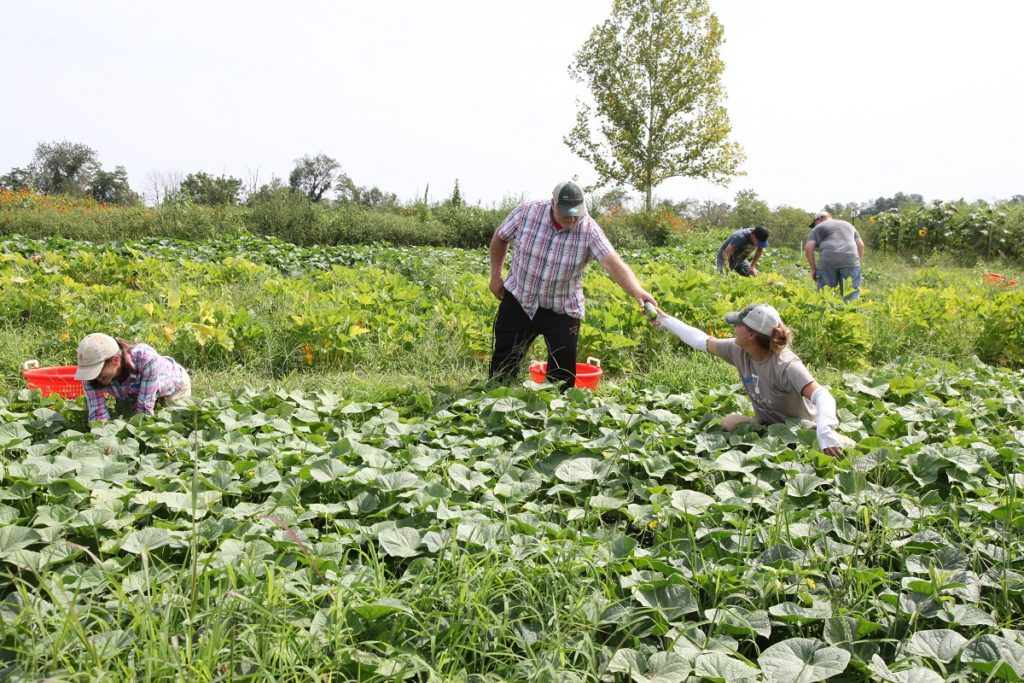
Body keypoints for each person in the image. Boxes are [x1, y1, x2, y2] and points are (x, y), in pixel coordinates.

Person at [488, 181, 656, 390]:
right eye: (566, 212)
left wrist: (637, 290)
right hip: (520, 298)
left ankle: (557, 416)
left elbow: (613, 263)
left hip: (562, 307)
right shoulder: (528, 212)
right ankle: (496, 406)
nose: (572, 217)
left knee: (562, 377)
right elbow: (500, 238)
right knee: (503, 366)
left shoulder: (589, 229)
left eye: (577, 212)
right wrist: (495, 276)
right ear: (553, 204)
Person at [650, 303, 846, 455]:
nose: (734, 328)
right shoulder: (738, 350)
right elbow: (702, 341)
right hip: (769, 427)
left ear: (751, 334)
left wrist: (825, 430)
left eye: (738, 325)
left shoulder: (785, 365)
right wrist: (666, 320)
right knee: (730, 422)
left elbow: (822, 395)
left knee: (840, 449)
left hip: (800, 431)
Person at [74, 333, 191, 423]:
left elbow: (144, 408)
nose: (95, 377)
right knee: (126, 421)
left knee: (173, 426)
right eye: (91, 372)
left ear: (116, 360)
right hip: (133, 394)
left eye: (98, 371)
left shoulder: (146, 359)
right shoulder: (90, 376)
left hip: (173, 388)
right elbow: (97, 412)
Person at [805, 211, 865, 300]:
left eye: (815, 223)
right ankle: (850, 312)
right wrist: (856, 263)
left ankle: (827, 313)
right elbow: (860, 245)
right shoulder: (849, 225)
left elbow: (808, 248)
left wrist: (813, 269)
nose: (815, 225)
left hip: (827, 262)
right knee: (851, 297)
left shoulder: (817, 228)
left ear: (820, 219)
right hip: (850, 261)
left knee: (825, 296)